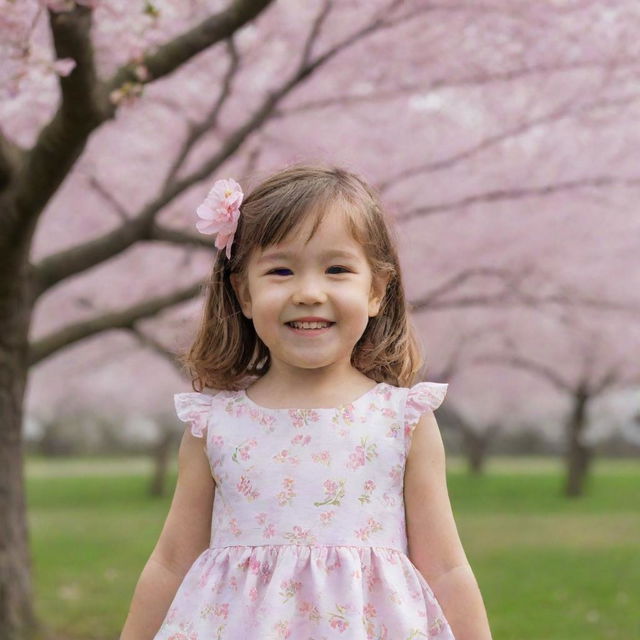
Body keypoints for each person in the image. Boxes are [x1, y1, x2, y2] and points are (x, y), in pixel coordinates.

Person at [120, 163, 492, 639]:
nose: (309, 292)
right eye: (280, 270)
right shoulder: (214, 425)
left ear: (376, 290)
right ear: (244, 292)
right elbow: (171, 563)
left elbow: (445, 568)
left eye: (337, 269)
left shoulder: (401, 421)